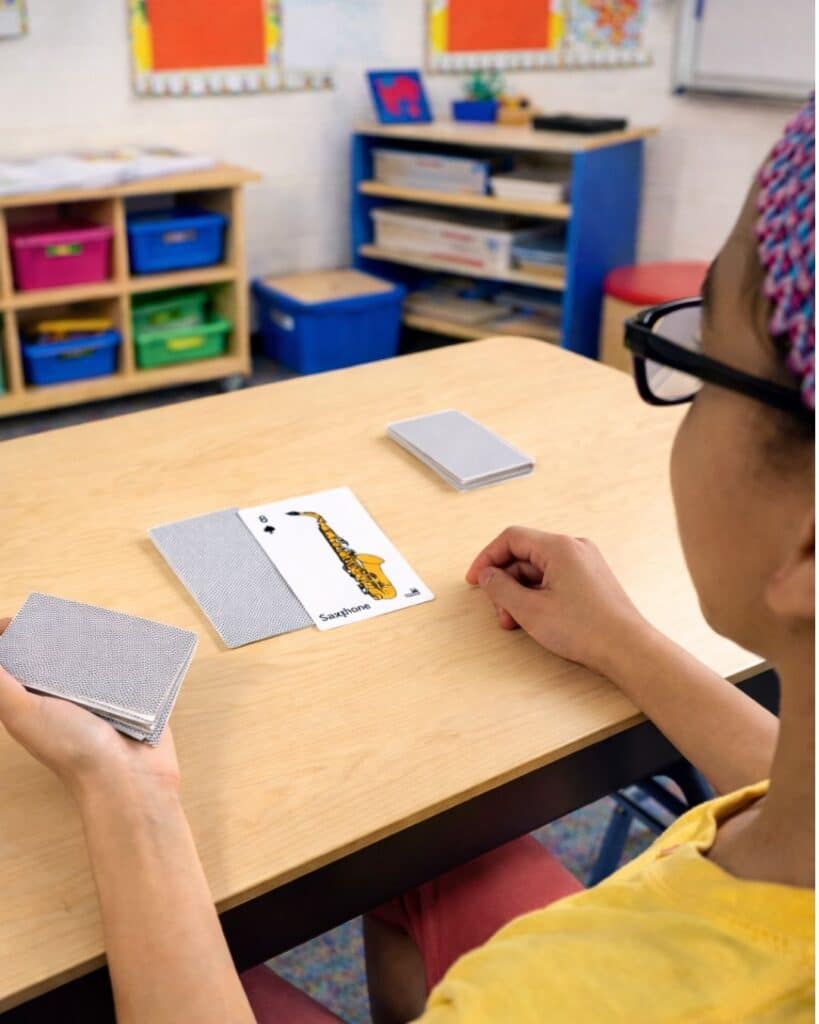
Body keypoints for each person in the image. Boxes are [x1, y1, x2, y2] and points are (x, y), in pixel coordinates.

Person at [0, 99, 813, 1023]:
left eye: (698, 356)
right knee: (444, 855)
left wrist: (126, 787)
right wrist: (623, 640)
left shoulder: (546, 1001)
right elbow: (789, 778)